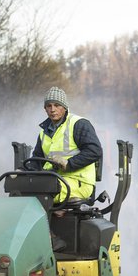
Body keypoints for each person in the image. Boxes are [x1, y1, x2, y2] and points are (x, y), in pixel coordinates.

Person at [31, 86, 102, 250]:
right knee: (20, 192)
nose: (52, 109)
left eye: (56, 105)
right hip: (54, 182)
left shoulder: (79, 125)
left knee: (41, 192)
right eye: (48, 106)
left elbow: (95, 151)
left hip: (78, 183)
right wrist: (22, 173)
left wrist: (68, 164)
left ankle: (51, 240)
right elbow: (36, 161)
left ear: (64, 106)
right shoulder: (44, 133)